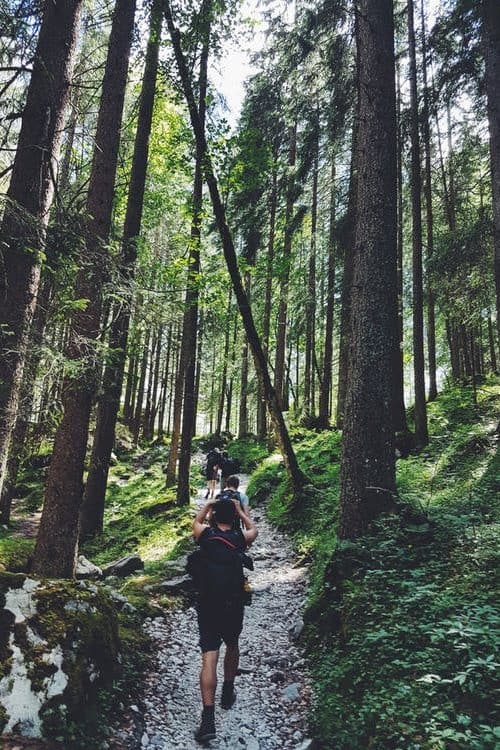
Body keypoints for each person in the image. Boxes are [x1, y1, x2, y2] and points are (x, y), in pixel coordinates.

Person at [192, 498, 257, 743]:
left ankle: (208, 721)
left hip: (208, 604)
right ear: (234, 517)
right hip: (233, 604)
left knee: (209, 657)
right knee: (232, 644)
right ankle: (228, 693)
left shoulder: (205, 535)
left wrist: (208, 505)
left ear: (214, 516)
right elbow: (254, 529)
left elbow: (196, 521)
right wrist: (241, 511)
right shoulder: (240, 538)